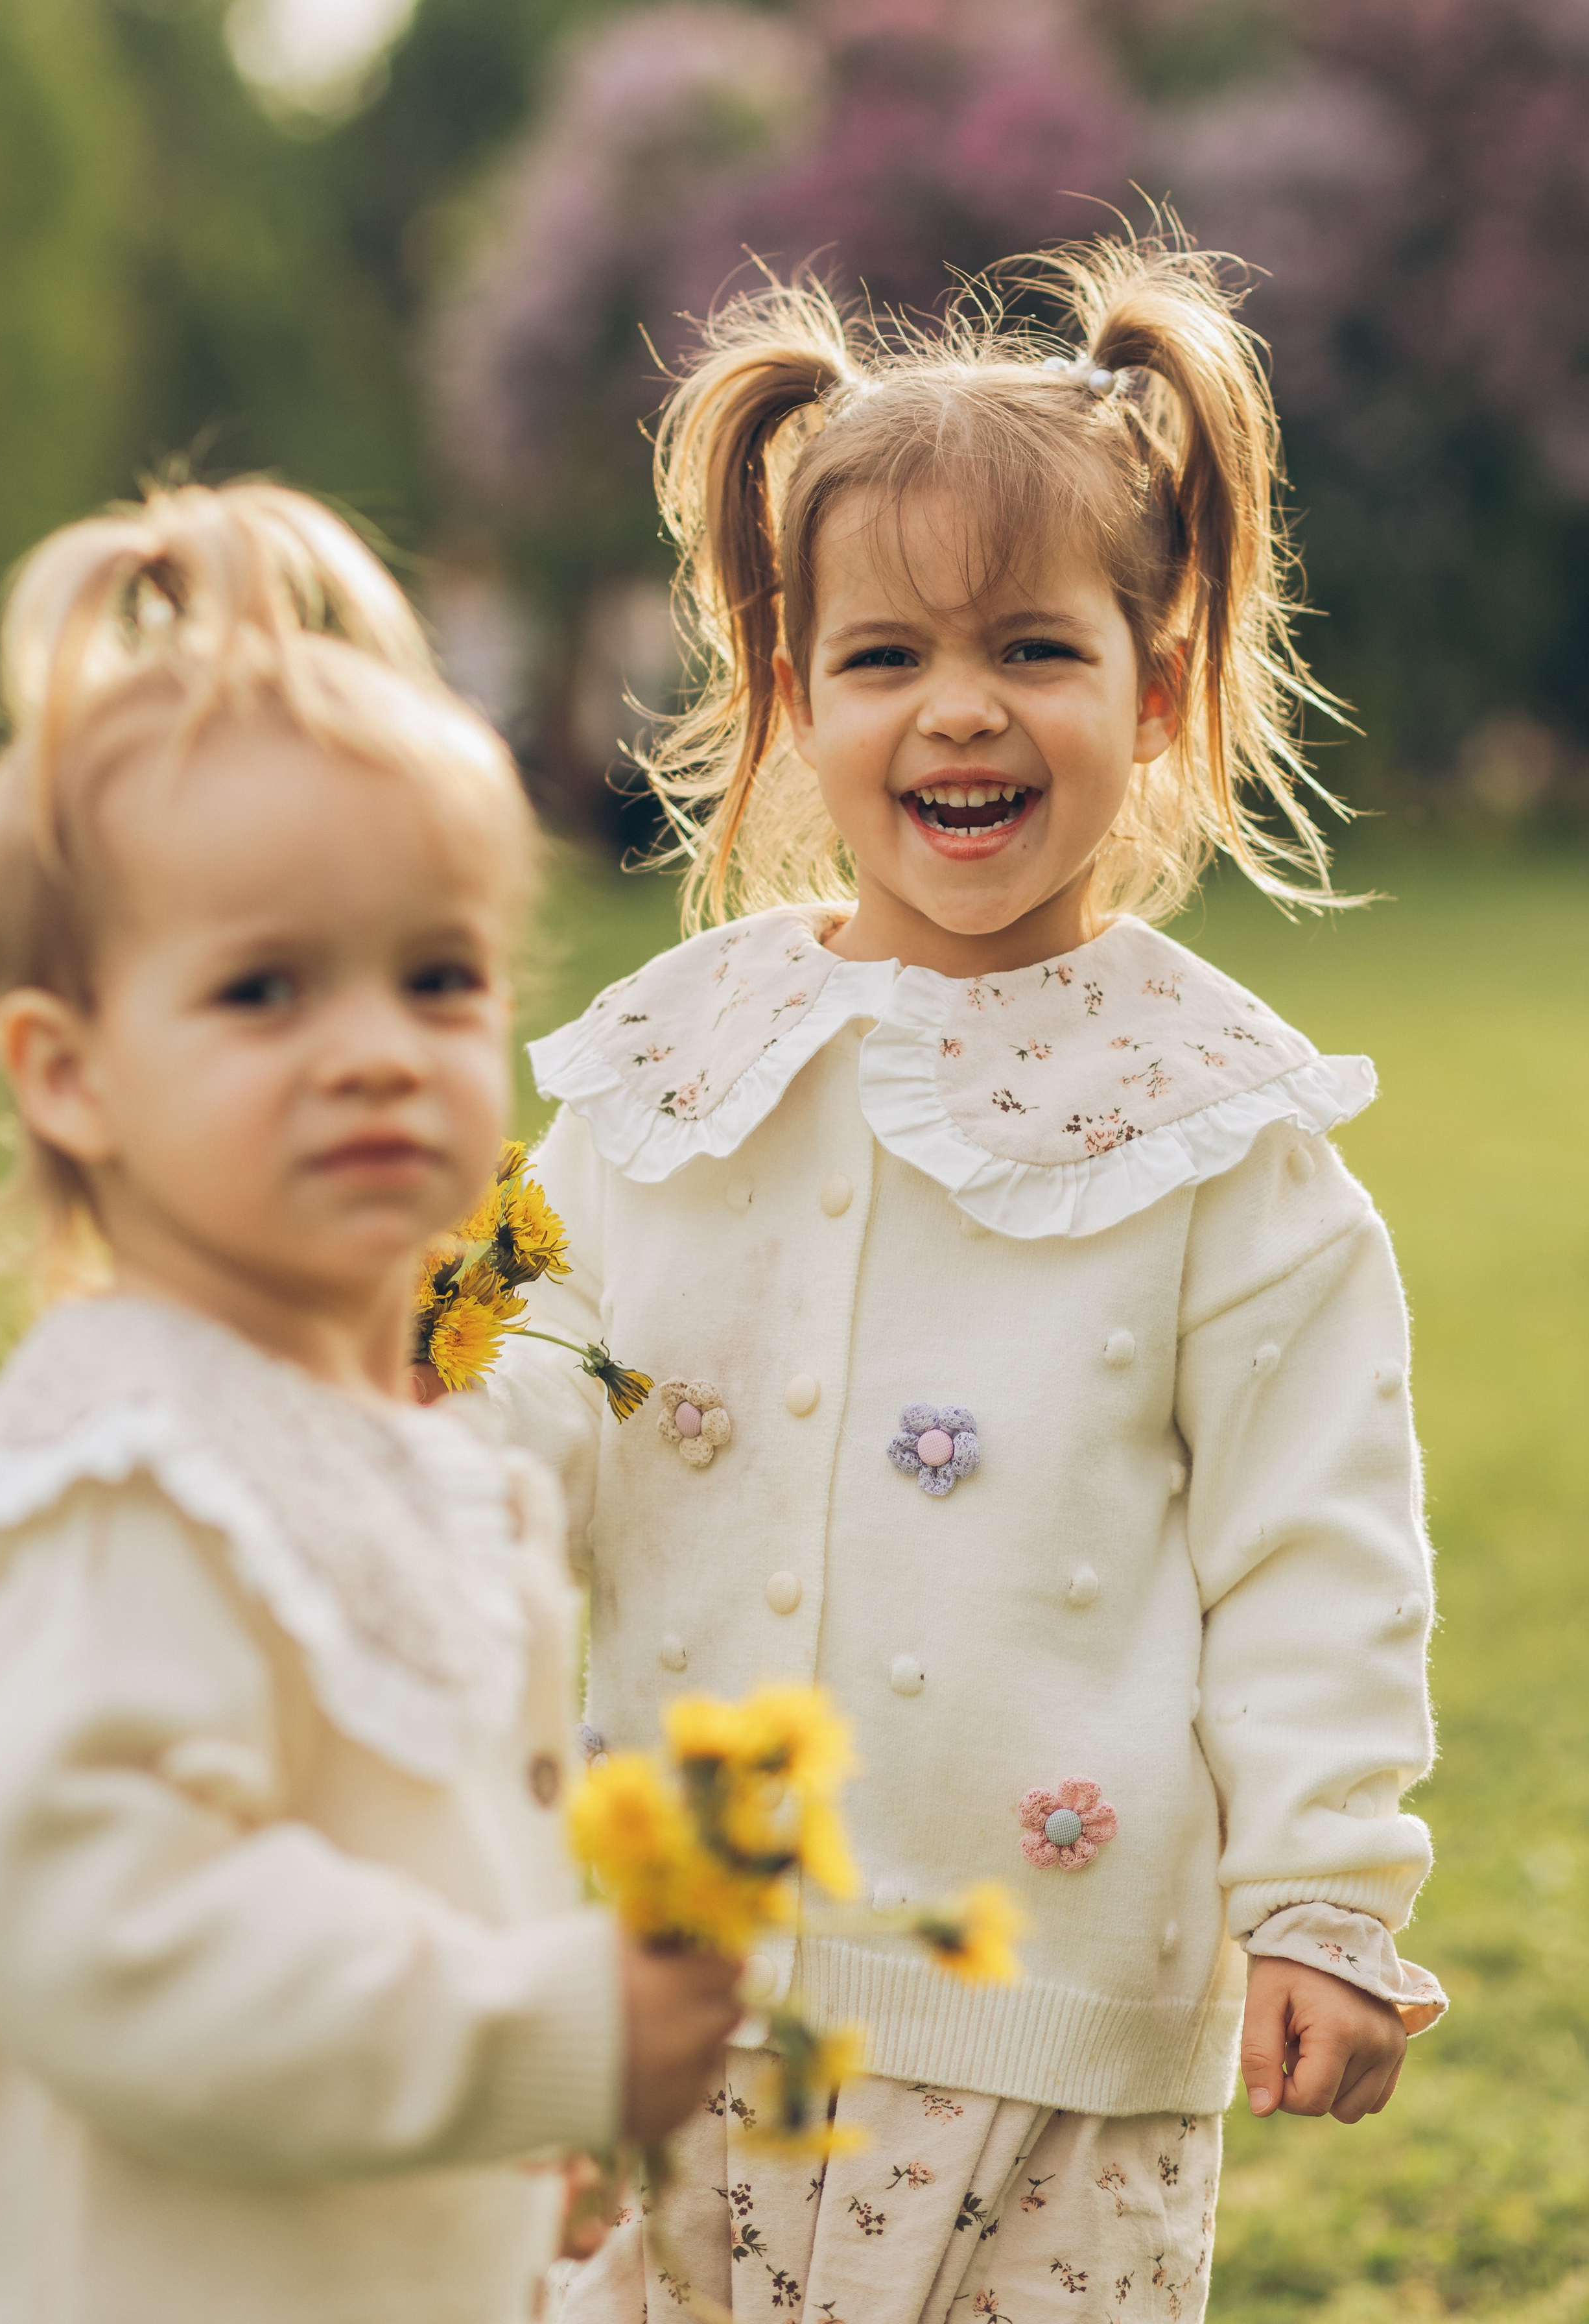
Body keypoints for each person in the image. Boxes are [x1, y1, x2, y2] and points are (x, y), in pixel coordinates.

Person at [483, 230, 1447, 2323]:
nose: (960, 712)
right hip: (674, 1982)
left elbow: (1316, 1552)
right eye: (885, 657)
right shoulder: (666, 1063)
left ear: (1160, 683)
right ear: (789, 696)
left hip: (1054, 2018)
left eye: (1034, 646)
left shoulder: (1222, 1131)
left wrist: (1325, 1901)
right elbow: (515, 1373)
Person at [0, 480, 740, 2324]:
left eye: (437, 978)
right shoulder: (121, 1482)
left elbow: (426, 1853)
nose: (375, 1046)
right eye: (265, 989)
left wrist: (525, 2132)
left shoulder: (414, 1447)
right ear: (69, 1075)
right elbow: (118, 1934)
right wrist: (546, 2032)